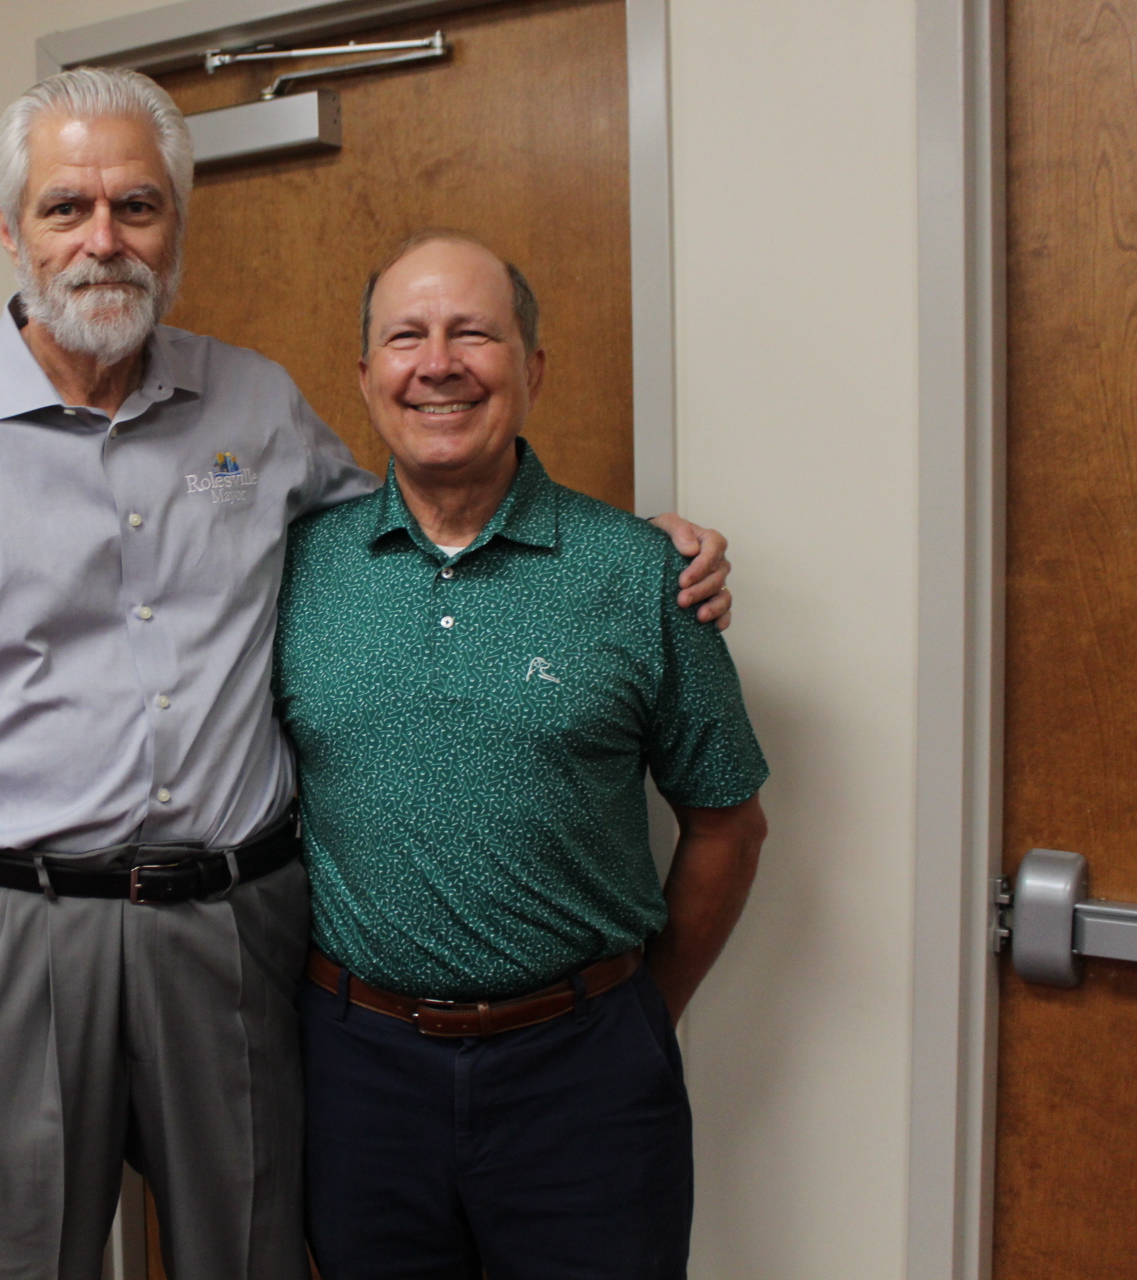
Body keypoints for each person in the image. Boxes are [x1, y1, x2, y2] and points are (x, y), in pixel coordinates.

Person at [0, 70, 734, 1280]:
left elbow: (415, 531)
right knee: (11, 1261)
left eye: (137, 206)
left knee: (246, 1253)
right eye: (65, 206)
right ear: (10, 229)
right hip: (12, 931)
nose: (103, 239)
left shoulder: (258, 402)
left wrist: (639, 547)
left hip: (231, 931)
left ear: (176, 224)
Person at [275, 230, 769, 1280]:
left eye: (475, 333)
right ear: (366, 376)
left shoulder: (644, 573)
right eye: (406, 336)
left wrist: (636, 1011)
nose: (438, 362)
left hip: (586, 1077)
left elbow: (729, 819)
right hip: (358, 1076)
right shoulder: (294, 571)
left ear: (533, 368)